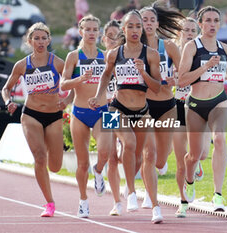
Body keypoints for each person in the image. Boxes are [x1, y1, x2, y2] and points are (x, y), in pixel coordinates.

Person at [88, 10, 162, 223]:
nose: (135, 30)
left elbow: (156, 88)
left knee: (141, 156)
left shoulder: (151, 55)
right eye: (130, 26)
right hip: (116, 108)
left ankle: (155, 207)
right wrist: (98, 95)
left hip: (142, 111)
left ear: (142, 29)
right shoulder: (114, 54)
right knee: (126, 144)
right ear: (124, 29)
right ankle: (130, 193)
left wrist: (144, 73)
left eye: (138, 26)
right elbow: (105, 76)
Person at [2, 22, 73, 217]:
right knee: (40, 157)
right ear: (30, 41)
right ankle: (49, 203)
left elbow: (73, 84)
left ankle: (52, 159)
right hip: (31, 114)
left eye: (44, 38)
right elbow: (6, 88)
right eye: (36, 38)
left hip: (54, 115)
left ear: (49, 40)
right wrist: (8, 101)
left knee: (56, 166)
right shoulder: (22, 65)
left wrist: (67, 100)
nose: (40, 42)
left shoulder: (58, 62)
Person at [178, 6, 227, 212]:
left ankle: (218, 195)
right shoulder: (191, 47)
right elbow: (182, 81)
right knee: (195, 156)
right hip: (196, 104)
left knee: (220, 138)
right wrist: (205, 67)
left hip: (219, 100)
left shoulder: (225, 48)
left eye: (216, 20)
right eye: (208, 20)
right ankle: (189, 180)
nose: (212, 24)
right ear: (200, 23)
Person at [60, 15, 112, 218]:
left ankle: (99, 171)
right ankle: (83, 200)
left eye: (94, 29)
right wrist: (80, 79)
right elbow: (63, 84)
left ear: (99, 32)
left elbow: (116, 84)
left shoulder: (107, 56)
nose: (91, 33)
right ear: (80, 32)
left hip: (104, 110)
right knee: (82, 163)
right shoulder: (74, 56)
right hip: (79, 112)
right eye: (87, 29)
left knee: (106, 152)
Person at [138, 2, 184, 210]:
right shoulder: (132, 48)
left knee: (160, 159)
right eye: (143, 20)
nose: (147, 23)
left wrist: (177, 78)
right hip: (143, 105)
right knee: (148, 154)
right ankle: (151, 196)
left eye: (151, 19)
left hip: (167, 105)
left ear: (157, 23)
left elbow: (184, 73)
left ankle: (159, 167)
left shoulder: (170, 47)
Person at [172, 17, 210, 218]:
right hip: (178, 106)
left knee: (201, 154)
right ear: (179, 33)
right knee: (180, 161)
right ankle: (183, 202)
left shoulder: (202, 52)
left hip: (198, 105)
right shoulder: (171, 53)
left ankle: (196, 162)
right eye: (185, 30)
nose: (189, 33)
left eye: (192, 30)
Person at [101, 20, 122, 216]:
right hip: (108, 111)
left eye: (118, 36)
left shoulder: (126, 57)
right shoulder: (99, 59)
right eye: (110, 36)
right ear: (104, 39)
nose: (114, 40)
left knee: (129, 154)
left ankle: (130, 187)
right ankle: (117, 201)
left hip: (127, 109)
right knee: (112, 158)